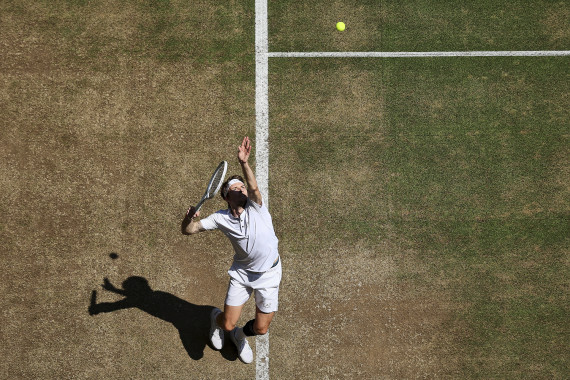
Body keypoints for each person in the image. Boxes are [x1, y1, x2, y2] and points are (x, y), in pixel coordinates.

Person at [181, 136, 282, 364]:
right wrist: (188, 218)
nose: (243, 190)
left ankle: (239, 336)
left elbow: (255, 188)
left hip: (269, 274)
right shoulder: (220, 218)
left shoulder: (256, 207)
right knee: (226, 323)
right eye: (237, 188)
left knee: (261, 328)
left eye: (243, 187)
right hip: (243, 273)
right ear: (226, 197)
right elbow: (189, 230)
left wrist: (244, 163)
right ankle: (216, 318)